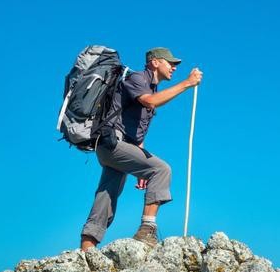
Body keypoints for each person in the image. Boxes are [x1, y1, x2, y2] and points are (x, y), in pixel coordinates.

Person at [80, 47, 203, 251]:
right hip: (112, 143)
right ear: (155, 62)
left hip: (115, 146)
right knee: (161, 169)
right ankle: (147, 229)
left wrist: (140, 164)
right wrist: (187, 83)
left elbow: (136, 132)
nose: (173, 67)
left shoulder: (150, 87)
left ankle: (87, 246)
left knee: (107, 193)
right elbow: (150, 101)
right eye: (169, 62)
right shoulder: (138, 79)